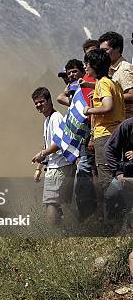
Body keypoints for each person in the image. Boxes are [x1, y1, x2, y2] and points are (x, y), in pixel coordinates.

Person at [82, 49, 126, 230]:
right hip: (118, 133)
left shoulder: (102, 84)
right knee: (119, 175)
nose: (85, 67)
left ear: (94, 66)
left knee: (107, 179)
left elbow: (107, 106)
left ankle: (114, 223)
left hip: (105, 135)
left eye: (87, 64)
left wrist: (89, 110)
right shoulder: (113, 82)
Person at [55, 59, 97, 221]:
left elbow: (89, 109)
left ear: (83, 71)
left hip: (89, 135)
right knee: (79, 176)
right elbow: (61, 98)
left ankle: (91, 213)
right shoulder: (73, 88)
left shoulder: (86, 86)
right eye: (67, 73)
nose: (70, 76)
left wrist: (92, 134)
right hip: (79, 139)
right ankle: (83, 214)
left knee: (86, 173)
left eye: (74, 71)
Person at [30, 87, 75, 224]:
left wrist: (42, 154)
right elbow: (47, 144)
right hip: (55, 166)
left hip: (59, 165)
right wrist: (39, 168)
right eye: (36, 103)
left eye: (42, 101)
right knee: (60, 203)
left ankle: (53, 234)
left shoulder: (56, 118)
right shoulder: (47, 120)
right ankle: (68, 230)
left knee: (51, 202)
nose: (39, 105)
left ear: (49, 100)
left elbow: (59, 142)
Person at [103, 118, 133, 234]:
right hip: (125, 172)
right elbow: (108, 149)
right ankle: (112, 228)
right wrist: (118, 173)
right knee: (110, 195)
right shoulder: (127, 125)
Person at [99, 31, 133, 119]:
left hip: (125, 121)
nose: (102, 54)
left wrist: (109, 97)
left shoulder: (124, 69)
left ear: (117, 48)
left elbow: (131, 95)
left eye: (105, 50)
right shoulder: (111, 68)